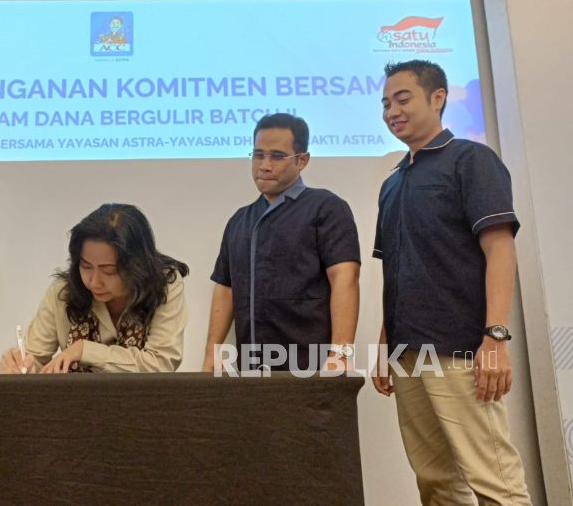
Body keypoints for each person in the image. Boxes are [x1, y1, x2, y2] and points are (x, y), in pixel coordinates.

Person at [372, 59, 531, 505]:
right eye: (385, 104)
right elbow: (396, 271)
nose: (392, 111)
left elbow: (501, 249)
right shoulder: (392, 183)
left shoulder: (470, 159)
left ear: (438, 97)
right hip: (408, 354)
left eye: (402, 99)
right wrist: (385, 347)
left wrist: (495, 337)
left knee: (495, 482)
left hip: (460, 349)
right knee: (436, 483)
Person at [202, 113, 360, 373]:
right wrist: (212, 352)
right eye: (258, 155)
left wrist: (341, 352)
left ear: (302, 160)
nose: (264, 165)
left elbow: (345, 277)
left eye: (277, 156)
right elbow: (226, 288)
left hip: (311, 367)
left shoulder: (326, 207)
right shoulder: (240, 220)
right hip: (252, 369)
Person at [0, 203, 188, 374]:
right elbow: (35, 360)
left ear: (136, 267)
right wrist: (19, 367)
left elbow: (160, 364)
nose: (94, 282)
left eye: (109, 271)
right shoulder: (63, 292)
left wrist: (85, 350)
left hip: (142, 400)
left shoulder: (164, 284)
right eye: (86, 266)